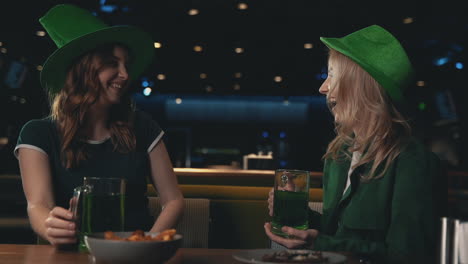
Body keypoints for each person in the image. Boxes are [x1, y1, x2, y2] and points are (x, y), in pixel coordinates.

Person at [264, 25, 440, 263]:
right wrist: (298, 219)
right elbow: (336, 233)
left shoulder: (414, 162)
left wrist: (318, 242)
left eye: (333, 75)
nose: (323, 88)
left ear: (361, 86)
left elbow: (408, 256)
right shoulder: (340, 155)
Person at [14, 4, 183, 246]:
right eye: (113, 63)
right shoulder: (38, 133)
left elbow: (174, 200)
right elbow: (38, 206)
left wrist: (146, 243)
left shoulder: (143, 126)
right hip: (70, 253)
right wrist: (50, 226)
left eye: (126, 65)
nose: (125, 74)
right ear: (83, 70)